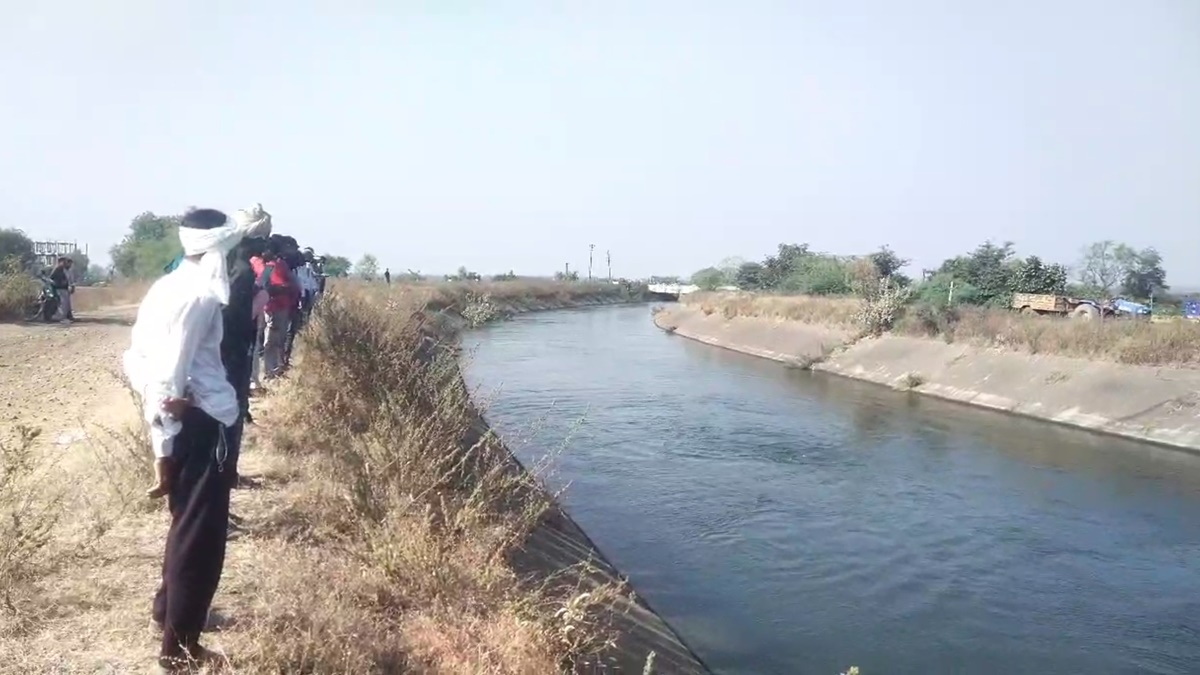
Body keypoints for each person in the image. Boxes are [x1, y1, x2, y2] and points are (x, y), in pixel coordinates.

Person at [122, 207, 262, 671]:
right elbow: (167, 377)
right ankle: (179, 649)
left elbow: (138, 360)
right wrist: (164, 448)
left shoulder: (166, 286)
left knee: (185, 528)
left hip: (189, 423)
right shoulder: (198, 296)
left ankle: (167, 613)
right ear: (218, 249)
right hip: (203, 425)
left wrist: (162, 443)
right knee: (201, 539)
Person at [250, 236, 299, 380]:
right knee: (271, 340)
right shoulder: (273, 265)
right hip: (273, 307)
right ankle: (270, 371)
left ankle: (272, 370)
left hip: (274, 306)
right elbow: (280, 286)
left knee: (274, 340)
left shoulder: (276, 264)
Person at [49, 256, 76, 322]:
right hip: (59, 289)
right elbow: (51, 278)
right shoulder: (58, 269)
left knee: (66, 304)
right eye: (64, 262)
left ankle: (66, 316)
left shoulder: (64, 270)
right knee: (63, 304)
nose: (65, 263)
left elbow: (69, 280)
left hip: (64, 289)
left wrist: (71, 286)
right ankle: (59, 317)